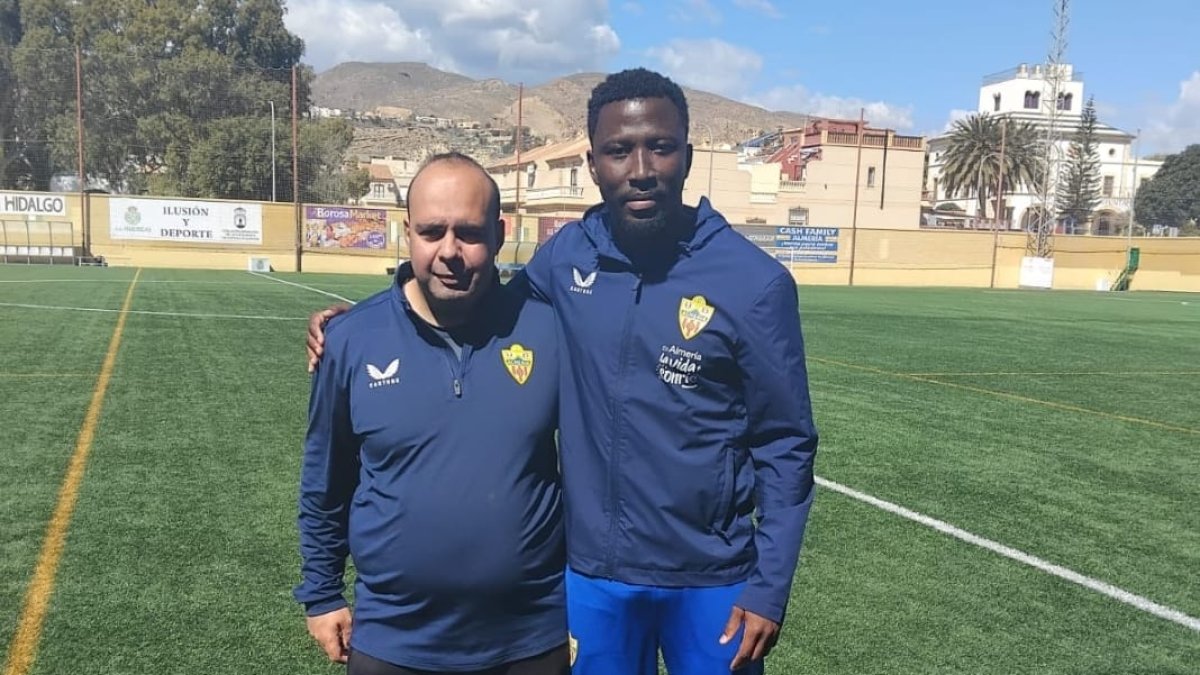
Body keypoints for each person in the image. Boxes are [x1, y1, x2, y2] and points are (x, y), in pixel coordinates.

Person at [308, 68, 818, 675]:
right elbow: (477, 302)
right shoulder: (566, 257)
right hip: (592, 577)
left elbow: (786, 442)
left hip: (712, 578)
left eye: (660, 146)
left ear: (687, 153)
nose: (641, 168)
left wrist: (769, 585)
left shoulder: (755, 283)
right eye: (618, 150)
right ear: (593, 161)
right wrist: (361, 326)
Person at [295, 152, 568, 675]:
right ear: (407, 233)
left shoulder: (550, 332)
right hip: (393, 638)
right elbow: (324, 478)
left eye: (468, 232)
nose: (449, 252)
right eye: (431, 231)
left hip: (530, 638)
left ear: (500, 232)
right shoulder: (352, 340)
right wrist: (323, 592)